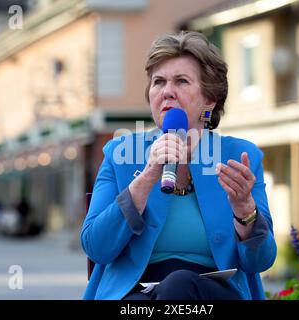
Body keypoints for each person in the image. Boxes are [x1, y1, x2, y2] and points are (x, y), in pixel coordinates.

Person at [80, 31, 276, 300]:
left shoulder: (240, 156)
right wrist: (147, 176)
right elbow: (96, 248)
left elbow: (261, 261)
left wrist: (245, 210)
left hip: (212, 294)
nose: (167, 91)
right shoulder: (120, 153)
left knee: (178, 286)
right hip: (135, 295)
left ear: (209, 99)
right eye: (158, 82)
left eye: (181, 81)